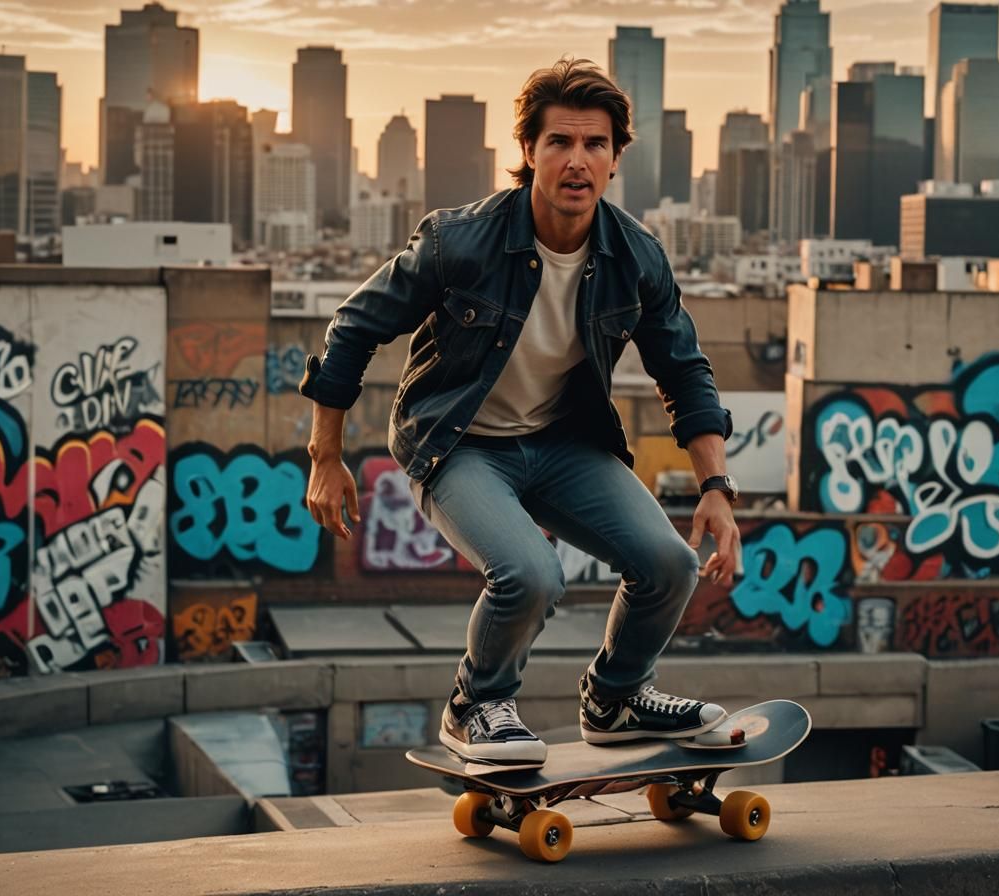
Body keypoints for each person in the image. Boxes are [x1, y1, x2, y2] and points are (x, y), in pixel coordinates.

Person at [300, 57, 740, 765]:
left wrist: (716, 488)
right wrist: (325, 457)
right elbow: (353, 328)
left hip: (563, 442)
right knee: (531, 575)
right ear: (528, 150)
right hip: (458, 444)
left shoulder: (636, 258)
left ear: (615, 158)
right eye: (559, 142)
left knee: (669, 564)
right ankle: (477, 704)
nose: (577, 161)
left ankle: (617, 697)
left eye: (594, 144)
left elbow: (684, 371)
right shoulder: (460, 241)